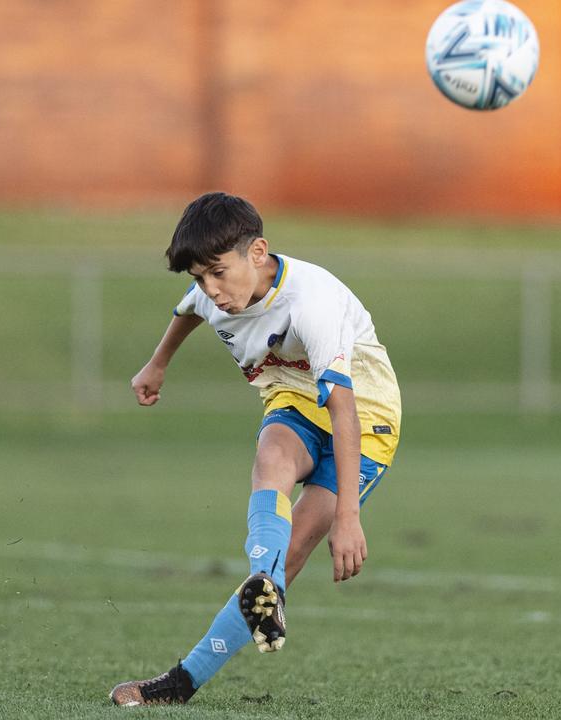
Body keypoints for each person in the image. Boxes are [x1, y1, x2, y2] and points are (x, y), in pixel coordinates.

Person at [109, 192, 402, 705]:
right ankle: (198, 664)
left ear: (258, 252)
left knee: (289, 557)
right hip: (293, 398)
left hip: (367, 416)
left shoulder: (311, 304)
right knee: (272, 457)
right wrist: (157, 364)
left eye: (219, 274)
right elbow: (187, 312)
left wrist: (350, 518)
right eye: (201, 278)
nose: (212, 290)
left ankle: (230, 624)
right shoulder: (213, 291)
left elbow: (345, 413)